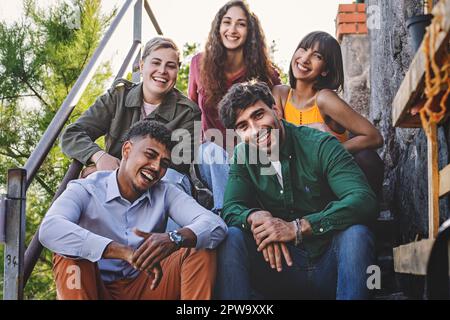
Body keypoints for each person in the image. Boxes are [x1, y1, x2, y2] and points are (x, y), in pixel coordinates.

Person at [215, 81, 377, 300]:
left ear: (275, 109)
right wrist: (255, 218)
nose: (255, 130)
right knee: (232, 236)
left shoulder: (319, 144)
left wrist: (299, 227)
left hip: (331, 264)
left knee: (357, 234)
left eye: (258, 115)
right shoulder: (243, 156)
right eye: (243, 126)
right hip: (281, 269)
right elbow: (231, 209)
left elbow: (364, 200)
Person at [39, 120, 227, 300]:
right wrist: (122, 251)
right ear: (127, 150)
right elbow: (50, 228)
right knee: (70, 256)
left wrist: (174, 238)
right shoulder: (86, 188)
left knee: (198, 246)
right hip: (94, 287)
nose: (155, 167)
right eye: (150, 155)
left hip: (147, 285)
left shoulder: (165, 191)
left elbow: (215, 224)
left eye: (164, 164)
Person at [61, 36, 201, 195]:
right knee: (84, 187)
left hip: (159, 185)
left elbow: (173, 166)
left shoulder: (188, 113)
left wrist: (115, 170)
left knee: (170, 181)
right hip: (113, 185)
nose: (162, 71)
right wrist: (99, 157)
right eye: (155, 63)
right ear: (142, 66)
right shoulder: (118, 96)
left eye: (170, 66)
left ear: (177, 70)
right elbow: (72, 134)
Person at [188, 0, 280, 213]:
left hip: (251, 150)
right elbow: (191, 111)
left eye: (241, 24)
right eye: (227, 22)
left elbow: (277, 116)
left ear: (250, 31)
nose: (232, 29)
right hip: (210, 155)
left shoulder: (266, 72)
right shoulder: (198, 64)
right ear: (218, 27)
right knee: (211, 151)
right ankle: (225, 211)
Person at [272, 31, 384, 196]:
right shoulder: (280, 94)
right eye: (303, 49)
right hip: (299, 182)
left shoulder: (324, 99)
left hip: (330, 179)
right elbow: (276, 140)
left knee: (368, 159)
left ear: (325, 70)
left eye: (317, 56)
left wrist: (329, 152)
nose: (305, 58)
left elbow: (374, 137)